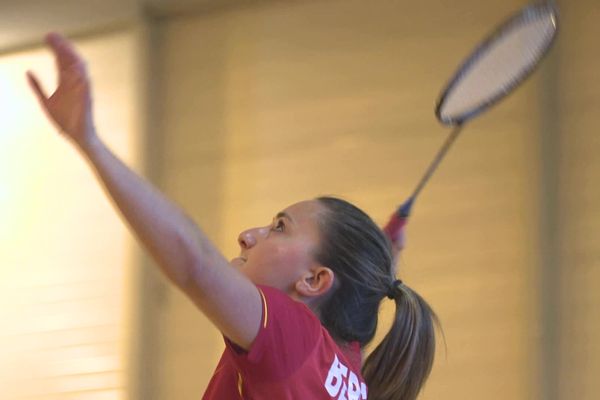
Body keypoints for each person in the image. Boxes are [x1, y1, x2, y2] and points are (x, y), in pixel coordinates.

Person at [27, 33, 442, 400]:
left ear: (314, 281)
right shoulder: (347, 369)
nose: (248, 235)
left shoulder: (291, 335)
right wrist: (381, 263)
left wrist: (90, 143)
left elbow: (195, 264)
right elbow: (350, 299)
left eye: (279, 227)